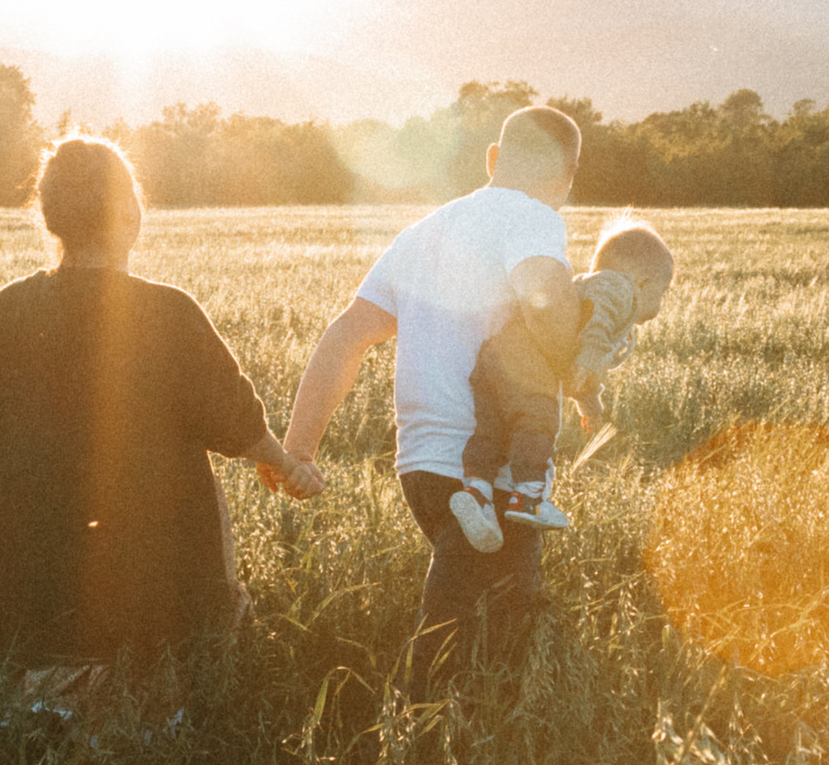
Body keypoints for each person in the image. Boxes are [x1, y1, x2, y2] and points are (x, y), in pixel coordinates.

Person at [0, 133, 321, 684]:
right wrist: (285, 462)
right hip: (150, 621)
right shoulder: (169, 313)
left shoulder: (6, 312)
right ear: (130, 216)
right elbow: (238, 424)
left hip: (20, 624)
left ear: (48, 218)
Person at [280, 103, 585, 675]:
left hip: (419, 467)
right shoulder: (536, 215)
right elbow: (543, 301)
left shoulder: (422, 233)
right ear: (565, 178)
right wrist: (583, 355)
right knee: (493, 637)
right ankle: (422, 736)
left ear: (494, 159)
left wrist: (299, 447)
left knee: (468, 617)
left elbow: (347, 335)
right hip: (484, 466)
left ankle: (432, 730)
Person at [448, 217, 676, 552]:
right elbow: (597, 322)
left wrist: (589, 401)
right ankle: (527, 497)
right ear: (642, 283)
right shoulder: (618, 289)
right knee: (538, 420)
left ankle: (477, 492)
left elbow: (577, 356)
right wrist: (590, 358)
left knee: (492, 429)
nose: (662, 301)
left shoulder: (590, 284)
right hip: (527, 364)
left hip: (494, 357)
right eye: (663, 291)